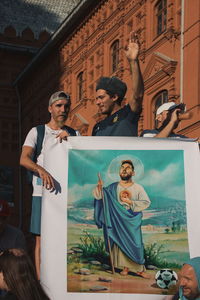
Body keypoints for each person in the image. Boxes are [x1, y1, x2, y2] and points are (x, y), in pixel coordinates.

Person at [20, 91, 79, 279]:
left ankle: (61, 280)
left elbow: (80, 162)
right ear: (50, 109)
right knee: (41, 239)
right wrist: (42, 170)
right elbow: (24, 159)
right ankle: (40, 281)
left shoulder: (75, 133)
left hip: (65, 196)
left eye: (66, 106)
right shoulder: (37, 132)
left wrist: (71, 141)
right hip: (41, 194)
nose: (63, 109)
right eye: (58, 106)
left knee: (63, 238)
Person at [93, 160, 150, 278]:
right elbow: (101, 197)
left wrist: (131, 202)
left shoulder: (138, 187)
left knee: (136, 243)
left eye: (128, 167)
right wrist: (99, 188)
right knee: (120, 242)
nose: (124, 169)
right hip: (117, 219)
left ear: (133, 173)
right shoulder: (113, 187)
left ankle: (139, 268)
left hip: (131, 219)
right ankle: (125, 267)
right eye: (122, 167)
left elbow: (146, 202)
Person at [92, 32, 144, 136]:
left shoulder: (128, 114)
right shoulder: (97, 127)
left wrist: (133, 61)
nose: (97, 102)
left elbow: (137, 96)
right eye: (97, 99)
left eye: (101, 98)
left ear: (114, 97)